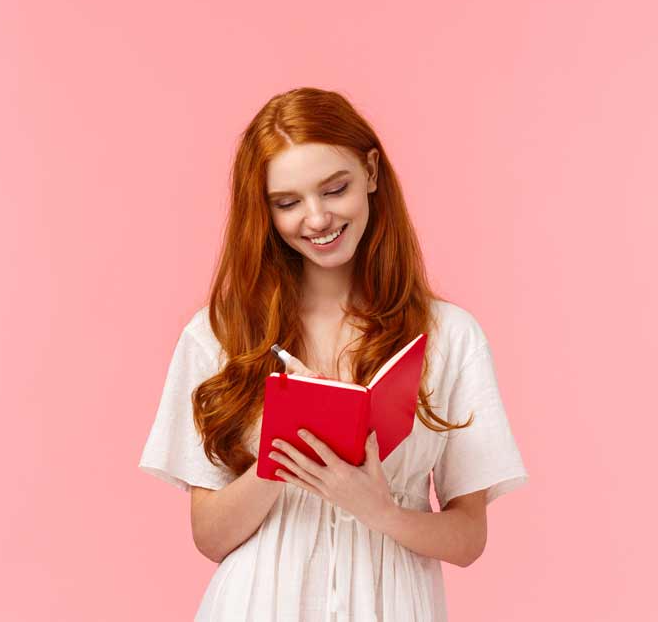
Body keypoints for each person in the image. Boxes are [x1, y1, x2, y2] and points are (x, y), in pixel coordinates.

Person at [139, 87, 529, 621]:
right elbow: (209, 537)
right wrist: (282, 459)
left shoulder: (450, 336)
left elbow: (468, 537)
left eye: (335, 188)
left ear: (371, 172)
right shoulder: (220, 334)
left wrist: (380, 510)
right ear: (265, 211)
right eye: (288, 202)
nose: (317, 218)